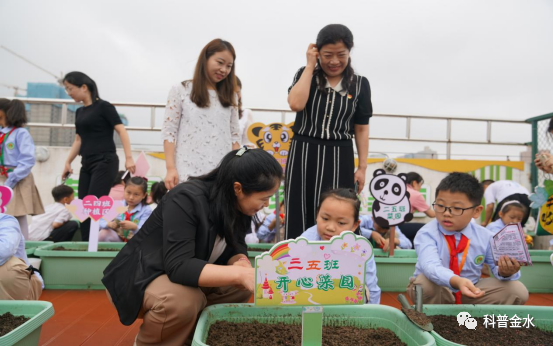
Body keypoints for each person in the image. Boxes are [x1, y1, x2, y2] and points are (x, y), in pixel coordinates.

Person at [102, 148, 282, 345]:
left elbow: (235, 246)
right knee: (184, 301)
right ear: (238, 188)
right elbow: (179, 265)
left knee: (238, 287)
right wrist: (239, 274)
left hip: (177, 276)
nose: (266, 204)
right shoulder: (186, 198)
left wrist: (241, 264)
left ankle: (190, 338)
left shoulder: (236, 205)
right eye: (264, 198)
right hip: (139, 277)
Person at [285, 24, 372, 239]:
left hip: (339, 154)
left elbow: (361, 127)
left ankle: (339, 266)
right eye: (327, 55)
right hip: (303, 152)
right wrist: (309, 66)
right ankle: (295, 264)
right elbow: (295, 104)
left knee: (338, 212)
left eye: (341, 55)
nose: (334, 61)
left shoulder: (360, 85)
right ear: (317, 53)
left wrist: (362, 167)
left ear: (349, 53)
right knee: (299, 208)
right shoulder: (305, 75)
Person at [407, 173, 529, 305]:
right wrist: (456, 281)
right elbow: (430, 266)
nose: (446, 213)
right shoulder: (427, 233)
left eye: (457, 208)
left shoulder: (485, 236)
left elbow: (496, 267)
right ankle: (434, 318)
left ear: (476, 211)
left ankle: (470, 316)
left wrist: (505, 272)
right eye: (440, 206)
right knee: (424, 283)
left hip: (470, 290)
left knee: (517, 290)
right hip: (438, 290)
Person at [62, 72, 136, 241]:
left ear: (84, 87)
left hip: (105, 160)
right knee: (83, 205)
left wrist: (129, 157)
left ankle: (93, 244)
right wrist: (67, 161)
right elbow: (78, 140)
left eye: (70, 88)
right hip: (86, 162)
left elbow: (121, 130)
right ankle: (87, 243)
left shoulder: (104, 107)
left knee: (93, 203)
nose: (69, 93)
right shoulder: (79, 112)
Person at [162, 39, 241, 190]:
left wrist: (235, 168)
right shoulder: (180, 89)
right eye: (220, 62)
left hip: (221, 172)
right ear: (205, 59)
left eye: (229, 66)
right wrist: (170, 168)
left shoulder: (231, 96)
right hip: (186, 170)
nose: (224, 70)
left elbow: (235, 136)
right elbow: (169, 132)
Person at [299, 188, 381, 304]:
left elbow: (371, 286)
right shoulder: (305, 242)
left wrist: (373, 316)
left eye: (341, 223)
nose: (330, 228)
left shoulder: (361, 250)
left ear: (354, 225)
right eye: (325, 219)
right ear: (317, 215)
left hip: (350, 308)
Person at [0, 98, 44, 239]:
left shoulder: (20, 133)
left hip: (16, 178)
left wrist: (11, 181)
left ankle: (21, 250)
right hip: (3, 177)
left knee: (17, 214)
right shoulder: (1, 132)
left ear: (4, 112)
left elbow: (27, 160)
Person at [0, 213, 43, 300]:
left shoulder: (5, 220)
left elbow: (4, 251)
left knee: (9, 267)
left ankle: (15, 310)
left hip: (22, 282)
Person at [99, 177, 152, 242]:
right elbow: (100, 221)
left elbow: (146, 231)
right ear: (124, 190)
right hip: (118, 238)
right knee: (103, 233)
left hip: (135, 241)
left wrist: (134, 227)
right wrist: (109, 224)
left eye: (136, 194)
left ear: (144, 195)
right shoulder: (117, 205)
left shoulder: (146, 210)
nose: (131, 197)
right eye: (128, 193)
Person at [236, 77, 255, 147]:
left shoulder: (246, 113)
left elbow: (249, 146)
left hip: (237, 156)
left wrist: (237, 154)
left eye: (237, 93)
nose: (234, 97)